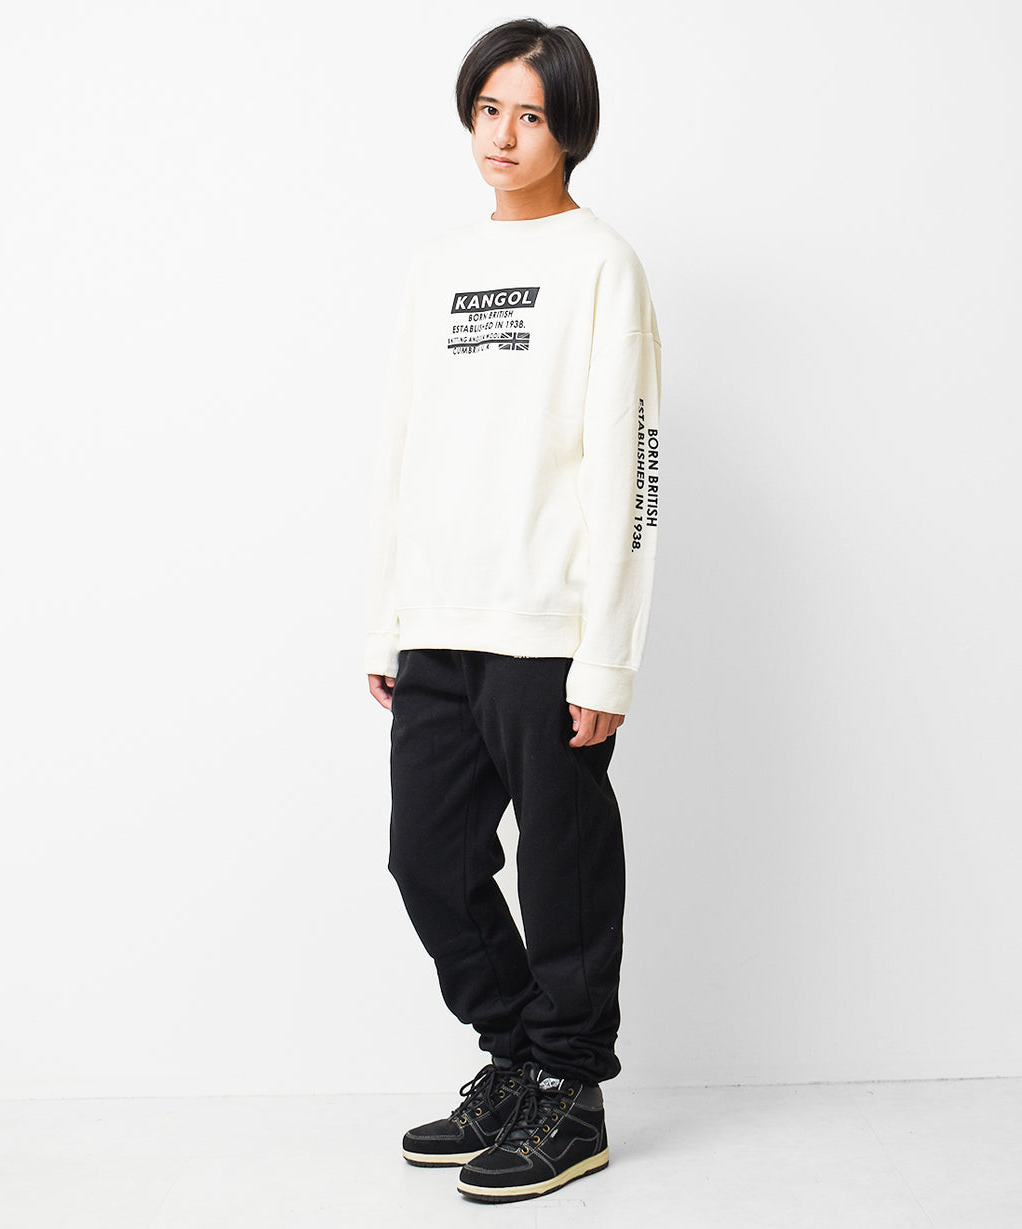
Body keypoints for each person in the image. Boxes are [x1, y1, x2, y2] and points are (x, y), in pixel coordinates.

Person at [365, 18, 661, 1204]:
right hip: (440, 619)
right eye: (489, 108)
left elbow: (629, 468)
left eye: (530, 114)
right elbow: (403, 448)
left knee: (562, 865)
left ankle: (570, 1094)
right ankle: (515, 1057)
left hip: (550, 627)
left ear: (568, 129)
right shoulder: (437, 266)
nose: (503, 134)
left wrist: (608, 657)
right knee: (425, 856)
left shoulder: (602, 265)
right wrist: (388, 619)